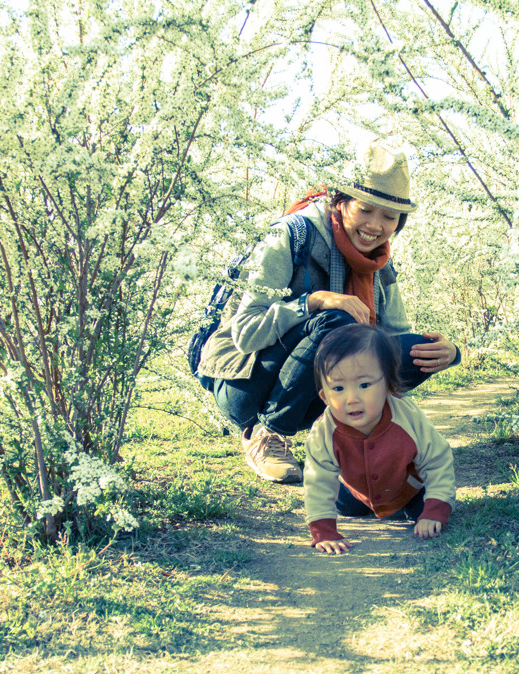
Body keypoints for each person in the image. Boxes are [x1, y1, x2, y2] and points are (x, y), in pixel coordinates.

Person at [195, 140, 460, 483]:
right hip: (246, 384)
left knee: (408, 349)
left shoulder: (377, 261)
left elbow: (392, 338)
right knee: (340, 323)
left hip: (312, 385)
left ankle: (360, 439)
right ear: (340, 202)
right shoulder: (290, 236)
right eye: (365, 209)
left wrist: (449, 354)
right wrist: (312, 302)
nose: (376, 226)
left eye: (389, 216)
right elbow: (245, 333)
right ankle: (266, 434)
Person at [303, 324, 455, 554]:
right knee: (347, 507)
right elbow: (319, 479)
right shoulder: (324, 431)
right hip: (354, 493)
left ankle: (423, 507)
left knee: (423, 513)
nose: (351, 398)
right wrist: (323, 529)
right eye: (338, 388)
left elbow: (436, 460)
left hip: (409, 491)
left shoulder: (407, 417)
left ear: (389, 386)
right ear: (324, 396)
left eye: (364, 385)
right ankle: (355, 503)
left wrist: (436, 509)